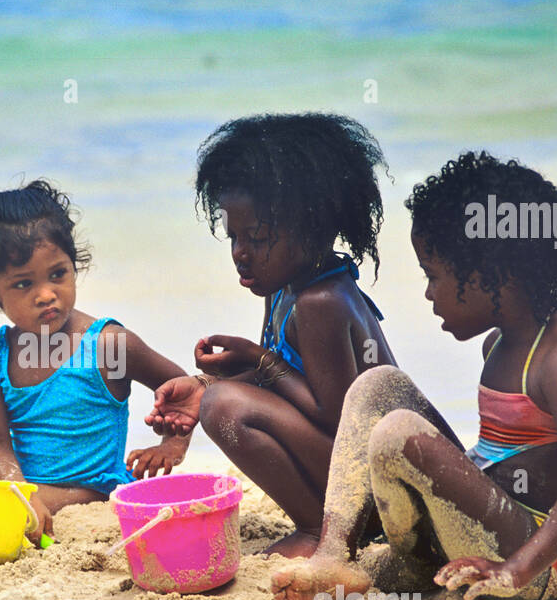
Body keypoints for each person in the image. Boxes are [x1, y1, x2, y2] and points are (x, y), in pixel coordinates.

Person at [270, 152, 557, 600]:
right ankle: (336, 558)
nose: (429, 293)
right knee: (379, 385)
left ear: (492, 275)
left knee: (397, 432)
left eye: (435, 276)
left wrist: (516, 569)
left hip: (541, 565)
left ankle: (399, 568)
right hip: (481, 535)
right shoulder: (498, 343)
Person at [147, 113, 396, 558]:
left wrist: (256, 363)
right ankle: (318, 523)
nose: (241, 253)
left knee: (226, 408)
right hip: (349, 477)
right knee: (218, 398)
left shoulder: (320, 303)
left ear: (313, 229)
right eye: (234, 238)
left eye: (257, 238)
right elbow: (291, 389)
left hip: (374, 491)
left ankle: (316, 530)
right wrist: (206, 385)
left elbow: (337, 420)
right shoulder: (287, 289)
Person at [0, 180, 192, 541]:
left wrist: (170, 447)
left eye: (57, 274)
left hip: (91, 491)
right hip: (24, 482)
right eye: (23, 284)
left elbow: (183, 391)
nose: (46, 294)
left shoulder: (107, 346)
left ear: (73, 266)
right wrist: (19, 490)